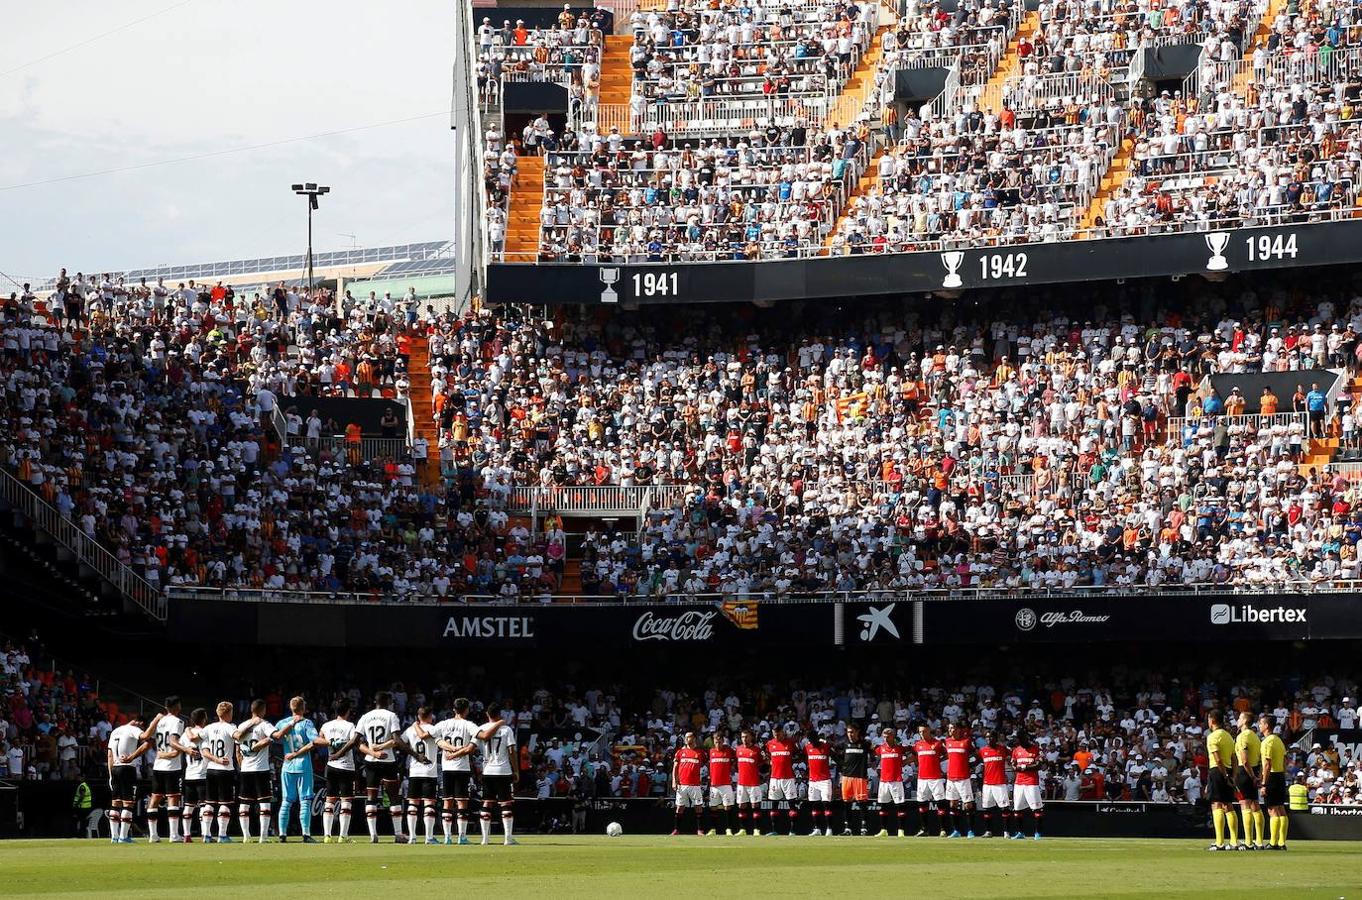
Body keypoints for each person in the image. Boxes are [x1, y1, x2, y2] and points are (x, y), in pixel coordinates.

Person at [434, 697, 499, 844]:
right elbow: (483, 736)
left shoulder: (443, 724)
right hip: (462, 768)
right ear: (467, 710)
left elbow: (432, 735)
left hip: (446, 768)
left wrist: (448, 748)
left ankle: (447, 837)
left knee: (447, 802)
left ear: (453, 709)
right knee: (462, 802)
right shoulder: (469, 725)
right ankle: (461, 837)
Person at [356, 691, 405, 843]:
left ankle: (373, 835)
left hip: (371, 760)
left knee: (371, 797)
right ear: (388, 701)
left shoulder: (365, 717)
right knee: (393, 797)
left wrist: (373, 752)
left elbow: (359, 743)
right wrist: (383, 746)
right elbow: (396, 740)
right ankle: (398, 834)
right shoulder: (391, 716)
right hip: (388, 760)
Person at [142, 697, 190, 843]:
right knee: (173, 797)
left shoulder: (159, 721)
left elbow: (147, 737)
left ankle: (153, 835)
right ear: (177, 706)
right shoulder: (178, 722)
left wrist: (161, 753)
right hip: (171, 766)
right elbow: (173, 741)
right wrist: (185, 750)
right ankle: (174, 835)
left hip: (158, 765)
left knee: (155, 797)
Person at [273, 696, 319, 842]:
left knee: (286, 801)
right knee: (305, 800)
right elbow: (314, 742)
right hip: (303, 765)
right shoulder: (307, 723)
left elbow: (275, 738)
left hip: (287, 766)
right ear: (303, 708)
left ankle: (282, 834)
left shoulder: (282, 723)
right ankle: (306, 834)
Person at [317, 699, 361, 843]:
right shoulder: (350, 726)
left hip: (330, 766)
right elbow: (353, 742)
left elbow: (318, 739)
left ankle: (327, 836)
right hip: (346, 766)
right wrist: (340, 753)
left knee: (329, 800)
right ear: (348, 710)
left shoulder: (326, 725)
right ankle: (343, 835)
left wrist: (330, 745)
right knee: (346, 801)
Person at [233, 699, 276, 842]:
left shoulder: (242, 725)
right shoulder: (265, 724)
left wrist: (242, 765)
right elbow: (273, 737)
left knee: (244, 803)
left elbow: (237, 750)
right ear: (263, 710)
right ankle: (263, 836)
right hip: (261, 769)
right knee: (264, 803)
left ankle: (246, 836)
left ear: (251, 710)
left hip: (246, 770)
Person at [476, 708, 518, 846]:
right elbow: (511, 750)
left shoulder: (481, 728)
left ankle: (485, 839)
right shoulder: (507, 729)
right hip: (503, 770)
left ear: (487, 714)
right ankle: (508, 838)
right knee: (505, 803)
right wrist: (516, 770)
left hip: (487, 770)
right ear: (500, 715)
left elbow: (473, 747)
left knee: (487, 803)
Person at [399, 707, 441, 844]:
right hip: (429, 771)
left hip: (414, 771)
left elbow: (400, 742)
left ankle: (412, 837)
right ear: (430, 716)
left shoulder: (410, 730)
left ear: (418, 716)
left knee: (413, 803)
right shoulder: (434, 728)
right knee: (429, 804)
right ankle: (429, 837)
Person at [200, 702, 238, 842]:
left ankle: (206, 834)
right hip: (225, 770)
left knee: (209, 802)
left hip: (211, 769)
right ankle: (222, 835)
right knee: (224, 803)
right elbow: (238, 736)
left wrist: (215, 760)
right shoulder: (230, 727)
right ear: (229, 713)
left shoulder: (209, 728)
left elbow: (204, 750)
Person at [1205, 709, 1241, 850]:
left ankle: (1219, 842)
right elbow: (1234, 759)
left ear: (1212, 720)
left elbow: (1218, 759)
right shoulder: (1228, 736)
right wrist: (1233, 776)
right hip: (1229, 771)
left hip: (1218, 771)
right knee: (1228, 805)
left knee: (1216, 805)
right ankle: (1233, 842)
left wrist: (1225, 776)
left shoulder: (1213, 737)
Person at [106, 715, 146, 844]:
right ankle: (123, 837)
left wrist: (110, 775)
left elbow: (110, 755)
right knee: (128, 803)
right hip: (127, 768)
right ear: (138, 723)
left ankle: (114, 836)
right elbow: (145, 738)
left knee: (115, 802)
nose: (142, 729)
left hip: (115, 768)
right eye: (142, 726)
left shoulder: (115, 731)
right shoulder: (133, 729)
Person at [1233, 710, 1264, 849]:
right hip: (1255, 770)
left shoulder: (1242, 736)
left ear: (1245, 721)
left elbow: (1244, 760)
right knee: (1255, 806)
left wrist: (1251, 776)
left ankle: (1248, 842)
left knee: (1245, 805)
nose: (1237, 720)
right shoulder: (1256, 737)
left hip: (1244, 773)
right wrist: (1258, 776)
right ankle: (1259, 841)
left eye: (1239, 718)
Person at [1257, 714, 1288, 850]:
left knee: (1272, 809)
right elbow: (1284, 761)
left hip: (1272, 776)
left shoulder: (1267, 742)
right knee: (1281, 809)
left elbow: (1267, 765)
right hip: (1280, 775)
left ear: (1266, 726)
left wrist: (1264, 783)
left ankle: (1273, 842)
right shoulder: (1278, 740)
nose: (1259, 726)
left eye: (1261, 723)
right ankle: (1281, 842)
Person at [912, 724, 947, 836]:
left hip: (936, 778)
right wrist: (903, 763)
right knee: (922, 804)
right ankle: (924, 829)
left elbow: (947, 754)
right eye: (920, 732)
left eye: (924, 731)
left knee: (940, 803)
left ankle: (943, 830)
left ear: (929, 731)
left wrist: (939, 760)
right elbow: (914, 757)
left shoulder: (937, 743)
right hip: (922, 778)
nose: (922, 734)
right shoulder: (917, 745)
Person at [764, 723, 799, 835]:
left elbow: (799, 755)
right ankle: (774, 830)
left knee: (792, 805)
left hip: (788, 778)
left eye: (778, 734)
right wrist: (768, 761)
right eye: (774, 735)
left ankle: (793, 831)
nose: (776, 737)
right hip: (774, 779)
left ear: (782, 732)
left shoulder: (790, 743)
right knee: (774, 805)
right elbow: (765, 755)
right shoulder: (769, 744)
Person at [182, 708, 210, 842]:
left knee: (188, 806)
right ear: (204, 718)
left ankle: (186, 835)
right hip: (203, 774)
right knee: (204, 806)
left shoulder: (185, 734)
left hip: (189, 774)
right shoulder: (206, 733)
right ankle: (205, 834)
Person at [944, 722, 977, 838]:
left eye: (953, 728)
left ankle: (970, 831)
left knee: (968, 805)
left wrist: (971, 764)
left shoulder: (966, 741)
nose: (951, 730)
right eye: (950, 728)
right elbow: (944, 755)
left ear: (959, 730)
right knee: (953, 803)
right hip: (951, 778)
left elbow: (976, 754)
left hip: (963, 777)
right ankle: (956, 831)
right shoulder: (947, 742)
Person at [1010, 730, 1044, 840]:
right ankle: (1020, 833)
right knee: (1017, 809)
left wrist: (1024, 767)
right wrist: (1015, 767)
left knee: (1037, 809)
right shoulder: (1016, 750)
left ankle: (1037, 833)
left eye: (1021, 739)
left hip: (1031, 783)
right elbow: (1013, 764)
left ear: (1026, 738)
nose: (1019, 741)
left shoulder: (1036, 749)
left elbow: (1039, 765)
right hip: (1019, 783)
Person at [874, 726, 907, 837]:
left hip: (896, 780)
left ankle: (901, 830)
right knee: (884, 806)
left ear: (893, 736)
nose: (886, 738)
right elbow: (872, 752)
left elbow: (914, 753)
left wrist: (905, 762)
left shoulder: (900, 748)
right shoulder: (880, 748)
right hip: (883, 781)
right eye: (884, 736)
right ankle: (884, 830)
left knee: (899, 806)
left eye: (888, 736)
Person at [670, 731, 705, 836]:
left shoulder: (700, 753)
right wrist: (674, 781)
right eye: (686, 737)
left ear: (694, 738)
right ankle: (676, 829)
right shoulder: (680, 752)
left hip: (695, 785)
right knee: (680, 807)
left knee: (698, 807)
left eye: (689, 737)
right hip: (682, 784)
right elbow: (675, 768)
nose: (686, 739)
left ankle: (699, 830)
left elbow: (707, 764)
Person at [839, 723, 870, 836]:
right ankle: (848, 829)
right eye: (848, 732)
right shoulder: (844, 744)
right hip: (846, 778)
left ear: (857, 732)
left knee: (862, 804)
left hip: (860, 778)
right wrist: (843, 766)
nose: (850, 734)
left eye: (852, 732)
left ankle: (864, 828)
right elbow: (836, 755)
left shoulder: (865, 744)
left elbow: (875, 752)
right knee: (847, 804)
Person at [978, 731, 1010, 838]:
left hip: (1000, 783)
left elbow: (1013, 756)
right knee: (987, 808)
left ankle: (1006, 832)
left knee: (1004, 808)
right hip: (987, 784)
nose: (989, 739)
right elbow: (975, 761)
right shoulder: (982, 751)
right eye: (987, 737)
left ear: (995, 738)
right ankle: (988, 831)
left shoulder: (1003, 749)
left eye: (991, 736)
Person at [705, 731, 736, 836]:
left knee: (727, 807)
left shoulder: (729, 750)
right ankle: (713, 829)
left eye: (719, 740)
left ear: (723, 741)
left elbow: (737, 758)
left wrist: (732, 767)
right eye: (716, 740)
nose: (718, 742)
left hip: (726, 784)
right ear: (714, 741)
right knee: (713, 807)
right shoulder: (711, 751)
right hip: (714, 785)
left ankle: (729, 829)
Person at [803, 731, 834, 836]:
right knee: (814, 805)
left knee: (826, 805)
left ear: (818, 738)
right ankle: (817, 829)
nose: (812, 742)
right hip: (812, 781)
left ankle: (829, 829)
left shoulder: (826, 746)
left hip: (825, 781)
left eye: (813, 739)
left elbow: (835, 756)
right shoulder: (807, 747)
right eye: (810, 740)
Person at [734, 729, 764, 836]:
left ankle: (757, 829)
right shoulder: (738, 749)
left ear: (751, 737)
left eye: (746, 737)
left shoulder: (757, 750)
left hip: (754, 783)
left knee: (755, 806)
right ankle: (743, 829)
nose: (744, 739)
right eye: (742, 737)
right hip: (741, 783)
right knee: (742, 806)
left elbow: (764, 764)